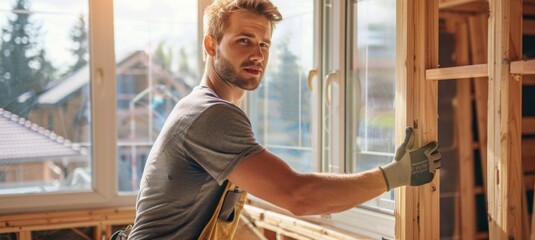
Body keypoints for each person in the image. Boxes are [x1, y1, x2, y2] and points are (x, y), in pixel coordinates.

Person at [128, 0, 441, 239]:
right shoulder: (211, 115)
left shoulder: (206, 108)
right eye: (244, 40)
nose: (258, 55)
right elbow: (298, 195)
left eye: (264, 44)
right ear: (211, 46)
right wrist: (394, 176)